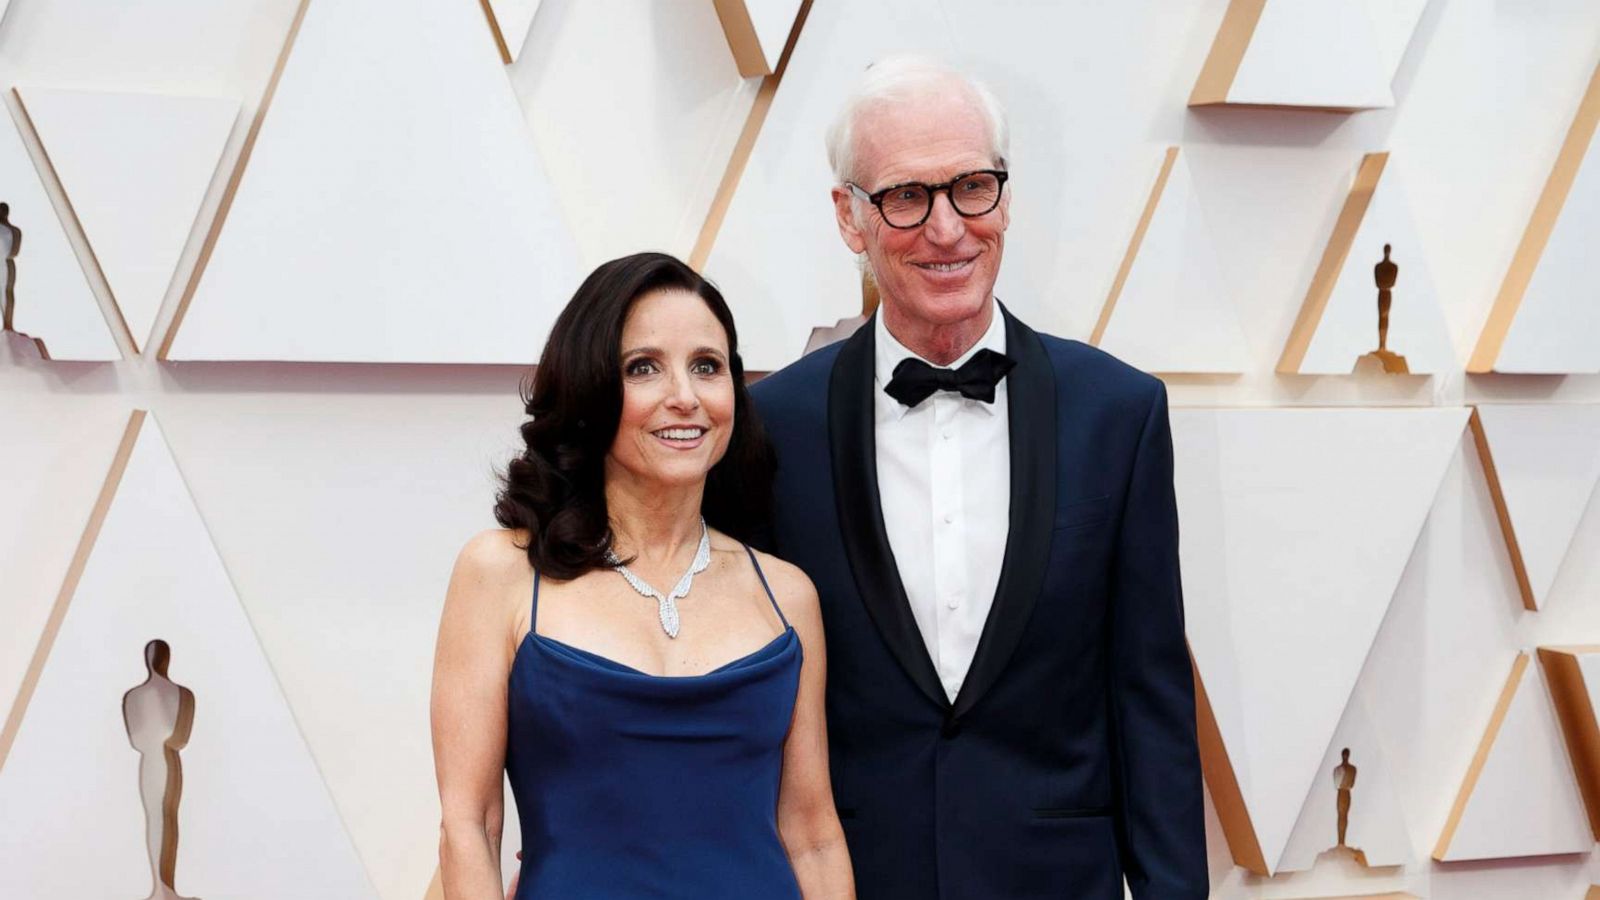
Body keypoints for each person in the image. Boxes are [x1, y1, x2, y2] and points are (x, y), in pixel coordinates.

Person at [750, 58, 1208, 899]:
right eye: (905, 196)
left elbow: (1150, 700)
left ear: (1006, 195)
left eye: (972, 186)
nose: (948, 228)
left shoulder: (1120, 413)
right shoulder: (773, 427)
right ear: (850, 217)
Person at [431, 253, 854, 899]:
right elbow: (471, 827)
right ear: (589, 387)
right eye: (643, 368)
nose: (684, 396)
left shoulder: (788, 594)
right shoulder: (501, 572)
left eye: (707, 366)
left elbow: (812, 833)